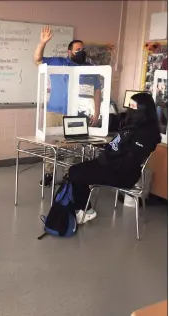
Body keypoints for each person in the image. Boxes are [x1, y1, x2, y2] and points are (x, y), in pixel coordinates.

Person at [68, 92, 161, 224]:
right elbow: (120, 141)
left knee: (78, 174)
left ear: (144, 109)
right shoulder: (132, 123)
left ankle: (83, 210)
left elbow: (130, 160)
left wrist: (107, 161)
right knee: (74, 170)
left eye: (134, 107)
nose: (131, 109)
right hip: (111, 164)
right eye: (130, 106)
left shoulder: (147, 133)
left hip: (124, 174)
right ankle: (83, 209)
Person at [34, 25, 102, 186]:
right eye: (78, 50)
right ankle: (49, 173)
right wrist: (42, 42)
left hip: (76, 114)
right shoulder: (59, 62)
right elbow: (37, 59)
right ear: (69, 52)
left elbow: (97, 91)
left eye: (83, 49)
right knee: (51, 145)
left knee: (72, 147)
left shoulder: (90, 69)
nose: (81, 52)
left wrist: (97, 112)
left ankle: (67, 174)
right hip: (54, 112)